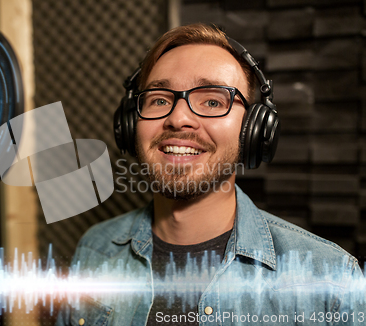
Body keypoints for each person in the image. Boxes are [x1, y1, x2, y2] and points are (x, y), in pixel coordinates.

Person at [56, 23, 364, 326]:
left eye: (213, 101)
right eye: (160, 99)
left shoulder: (331, 281)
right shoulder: (96, 247)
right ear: (128, 125)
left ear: (253, 130)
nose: (178, 118)